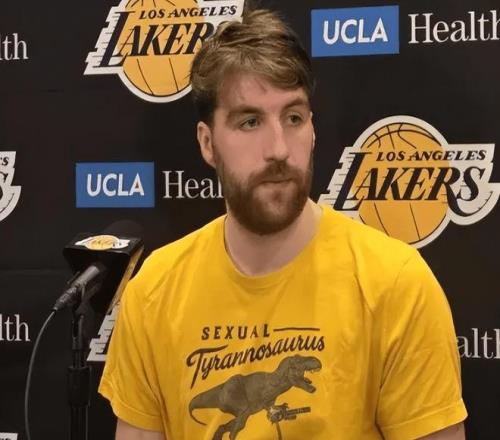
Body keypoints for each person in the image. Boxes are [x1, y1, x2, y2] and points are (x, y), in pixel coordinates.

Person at [99, 8, 467, 440]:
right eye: (250, 121)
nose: (278, 148)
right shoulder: (154, 292)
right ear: (208, 143)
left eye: (293, 118)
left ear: (312, 129)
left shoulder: (396, 284)